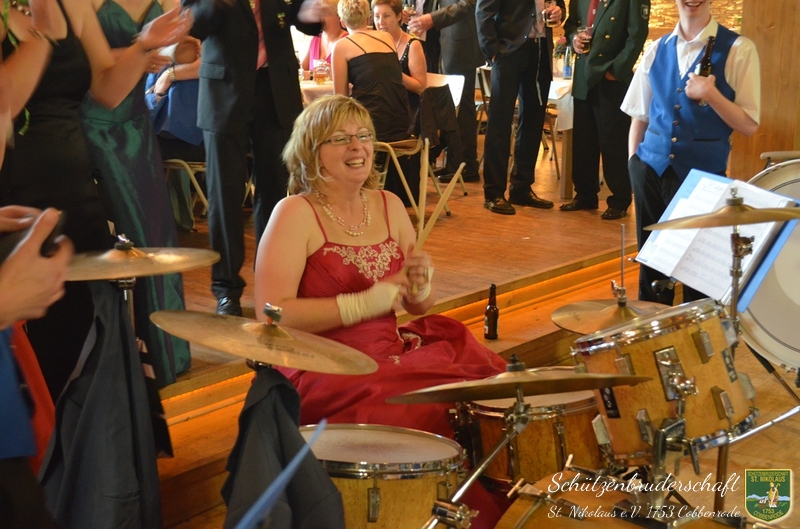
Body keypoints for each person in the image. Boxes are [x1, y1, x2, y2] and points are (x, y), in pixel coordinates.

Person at [254, 94, 508, 527]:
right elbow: (271, 315)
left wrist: (420, 284)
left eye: (365, 136)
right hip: (322, 365)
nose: (358, 147)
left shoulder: (389, 204)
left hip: (390, 353)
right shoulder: (294, 212)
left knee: (479, 393)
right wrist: (361, 304)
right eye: (341, 139)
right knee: (411, 411)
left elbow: (417, 304)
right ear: (312, 150)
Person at [1, 0, 190, 400]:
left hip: (75, 188)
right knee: (36, 343)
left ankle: (92, 433)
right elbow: (6, 102)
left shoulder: (70, 3)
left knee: (87, 325)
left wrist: (142, 46)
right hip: (16, 192)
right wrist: (42, 36)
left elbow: (106, 90)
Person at [184, 0, 321, 318]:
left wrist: (311, 14)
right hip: (224, 90)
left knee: (275, 195)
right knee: (224, 195)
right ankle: (226, 289)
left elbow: (300, 13)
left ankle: (272, 285)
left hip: (276, 91)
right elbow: (193, 23)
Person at [81, 0, 192, 387]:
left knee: (154, 233)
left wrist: (175, 53)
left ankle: (164, 350)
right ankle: (119, 355)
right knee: (116, 236)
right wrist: (137, 53)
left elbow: (175, 48)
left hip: (137, 123)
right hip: (96, 122)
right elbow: (75, 61)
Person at [621, 0, 760, 304]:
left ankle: (695, 335)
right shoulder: (656, 49)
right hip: (649, 170)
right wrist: (634, 164)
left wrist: (712, 95)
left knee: (698, 276)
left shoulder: (739, 49)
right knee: (652, 270)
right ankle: (655, 332)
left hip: (702, 176)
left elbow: (749, 125)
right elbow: (639, 115)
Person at [561, 0, 649, 220]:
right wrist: (574, 39)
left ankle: (620, 199)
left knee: (613, 142)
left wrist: (616, 70)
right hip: (584, 74)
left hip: (611, 78)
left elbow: (637, 35)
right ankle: (584, 195)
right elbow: (571, 24)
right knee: (583, 140)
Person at [476, 0, 565, 215]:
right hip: (508, 51)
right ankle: (493, 192)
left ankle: (521, 188)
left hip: (541, 50)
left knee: (534, 120)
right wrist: (492, 51)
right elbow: (483, 12)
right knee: (500, 122)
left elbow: (559, 4)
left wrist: (559, 12)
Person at [332, 0, 415, 206]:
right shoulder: (387, 38)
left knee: (329, 135)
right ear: (369, 18)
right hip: (403, 125)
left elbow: (340, 100)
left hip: (372, 129)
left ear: (342, 22)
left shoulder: (341, 46)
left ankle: (343, 200)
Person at [408, 0, 483, 182]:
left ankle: (467, 165)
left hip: (457, 40)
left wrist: (433, 18)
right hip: (430, 37)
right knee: (440, 103)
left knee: (462, 105)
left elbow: (469, 4)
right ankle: (450, 163)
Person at [372, 0, 426, 114]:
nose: (380, 22)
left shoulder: (413, 45)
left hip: (406, 109)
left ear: (399, 16)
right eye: (377, 16)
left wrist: (392, 71)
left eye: (386, 16)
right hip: (380, 106)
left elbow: (421, 87)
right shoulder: (371, 43)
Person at [301, 0, 347, 70]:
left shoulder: (347, 41)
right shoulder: (315, 39)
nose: (320, 17)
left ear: (339, 16)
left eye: (325, 12)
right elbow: (301, 70)